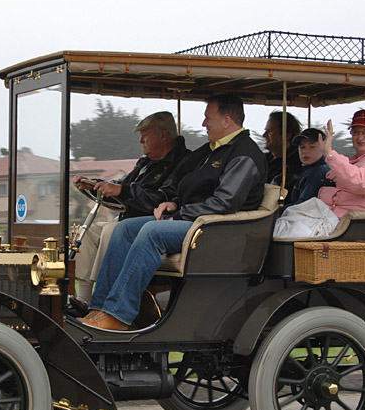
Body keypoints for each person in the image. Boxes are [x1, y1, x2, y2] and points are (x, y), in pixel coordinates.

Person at [81, 94, 267, 331]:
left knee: (152, 231)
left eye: (208, 118)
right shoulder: (211, 151)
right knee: (124, 228)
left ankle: (118, 314)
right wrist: (174, 203)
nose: (203, 124)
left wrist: (180, 213)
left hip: (218, 230)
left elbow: (224, 203)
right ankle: (99, 309)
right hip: (195, 220)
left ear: (227, 120)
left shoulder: (244, 154)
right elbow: (189, 186)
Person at [71, 111, 190, 303]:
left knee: (112, 230)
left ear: (163, 135)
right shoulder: (146, 163)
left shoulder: (184, 163)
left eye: (145, 135)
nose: (141, 140)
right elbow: (122, 184)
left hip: (155, 222)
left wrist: (121, 191)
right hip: (129, 219)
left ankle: (101, 301)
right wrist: (94, 185)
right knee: (88, 231)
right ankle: (83, 299)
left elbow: (162, 199)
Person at [273, 109, 365, 238]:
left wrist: (329, 153)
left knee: (286, 232)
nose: (360, 138)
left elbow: (361, 182)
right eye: (355, 132)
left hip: (353, 225)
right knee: (278, 226)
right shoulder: (360, 160)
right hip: (333, 216)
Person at [263, 110, 302, 196]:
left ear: (287, 135)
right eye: (266, 130)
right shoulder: (262, 159)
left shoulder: (296, 162)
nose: (264, 135)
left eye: (270, 131)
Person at [288, 127, 331, 205]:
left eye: (312, 147)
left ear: (323, 148)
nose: (305, 151)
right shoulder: (308, 170)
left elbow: (303, 205)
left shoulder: (317, 172)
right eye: (302, 147)